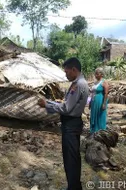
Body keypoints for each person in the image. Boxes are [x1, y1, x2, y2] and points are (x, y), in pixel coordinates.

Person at [38, 57, 89, 190]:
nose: (65, 74)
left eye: (67, 72)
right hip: (73, 123)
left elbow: (66, 108)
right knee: (73, 157)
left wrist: (47, 105)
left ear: (74, 70)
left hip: (71, 125)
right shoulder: (79, 83)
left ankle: (73, 187)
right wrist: (50, 103)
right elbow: (66, 104)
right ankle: (75, 186)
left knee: (71, 159)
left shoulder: (78, 85)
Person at [89, 68, 109, 133]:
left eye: (97, 74)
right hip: (94, 101)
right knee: (93, 114)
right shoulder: (95, 82)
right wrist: (90, 102)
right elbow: (92, 92)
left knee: (100, 115)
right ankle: (94, 130)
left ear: (101, 74)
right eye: (95, 74)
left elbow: (106, 93)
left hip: (100, 100)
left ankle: (100, 130)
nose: (96, 75)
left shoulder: (104, 82)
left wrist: (104, 103)